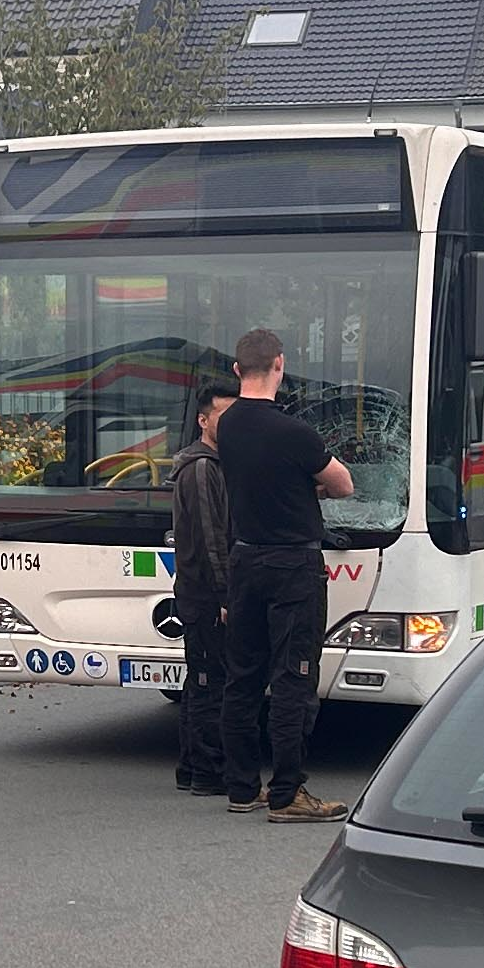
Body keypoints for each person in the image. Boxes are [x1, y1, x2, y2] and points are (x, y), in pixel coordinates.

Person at [215, 326, 353, 823]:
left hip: (245, 560)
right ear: (280, 364)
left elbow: (258, 482)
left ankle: (241, 787)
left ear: (237, 370)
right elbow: (343, 484)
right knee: (293, 676)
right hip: (292, 564)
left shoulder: (228, 426)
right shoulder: (295, 432)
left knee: (243, 676)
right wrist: (305, 489)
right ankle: (288, 793)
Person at [168, 381, 237, 796]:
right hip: (205, 595)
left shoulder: (213, 463)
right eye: (222, 416)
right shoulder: (201, 469)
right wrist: (226, 595)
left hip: (200, 593)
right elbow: (213, 539)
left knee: (201, 681)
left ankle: (191, 767)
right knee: (211, 682)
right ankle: (208, 772)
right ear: (203, 420)